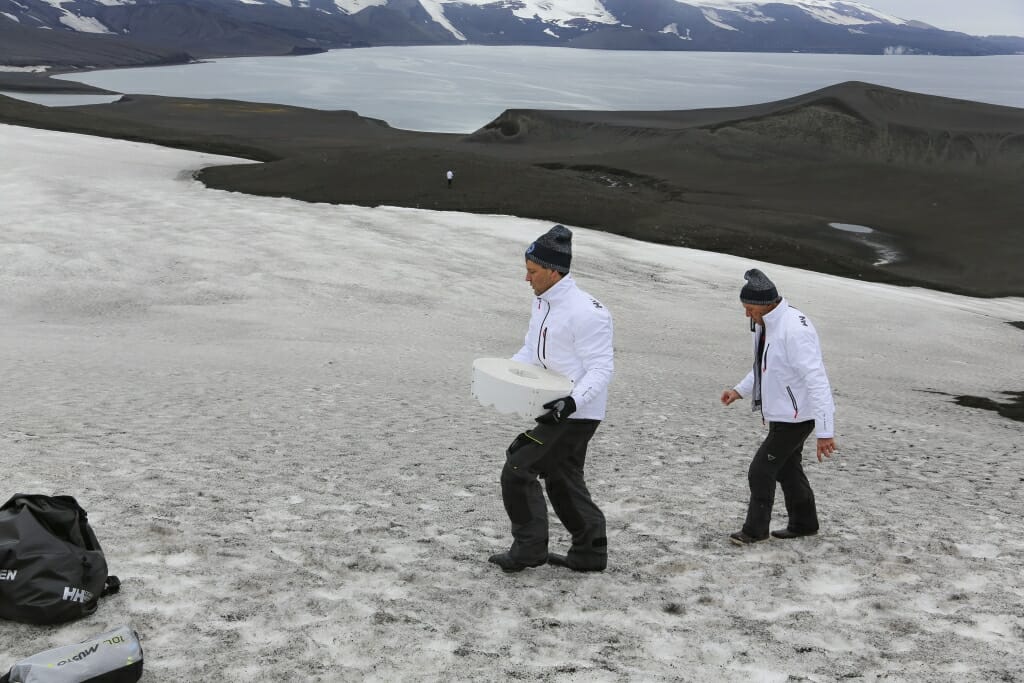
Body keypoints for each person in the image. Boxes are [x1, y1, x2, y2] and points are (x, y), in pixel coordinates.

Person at [488, 224, 615, 573]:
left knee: (519, 466)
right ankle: (590, 551)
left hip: (577, 412)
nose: (526, 278)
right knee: (562, 478)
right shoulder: (543, 303)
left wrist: (572, 403)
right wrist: (505, 375)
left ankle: (528, 549)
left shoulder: (587, 312)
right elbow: (531, 350)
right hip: (552, 406)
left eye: (532, 271)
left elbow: (601, 369)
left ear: (553, 271)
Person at [720, 268, 837, 545]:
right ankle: (805, 523)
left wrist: (825, 432)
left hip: (797, 416)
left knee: (761, 470)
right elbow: (765, 366)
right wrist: (739, 390)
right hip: (785, 412)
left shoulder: (794, 329)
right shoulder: (767, 324)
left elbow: (817, 381)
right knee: (787, 468)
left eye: (750, 309)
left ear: (766, 303)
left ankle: (755, 530)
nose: (747, 315)